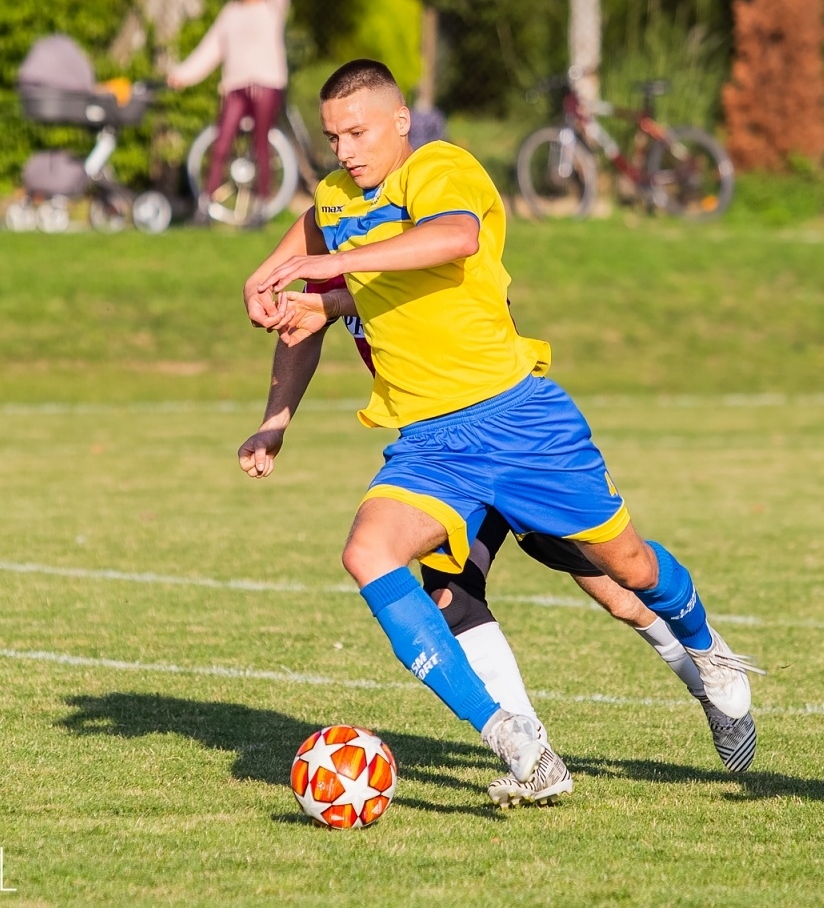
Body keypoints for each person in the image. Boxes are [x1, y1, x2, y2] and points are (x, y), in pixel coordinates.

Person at [242, 59, 759, 798]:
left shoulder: (440, 168)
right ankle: (517, 741)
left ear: (399, 122)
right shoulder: (331, 203)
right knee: (379, 558)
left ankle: (707, 655)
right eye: (332, 137)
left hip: (517, 423)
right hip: (429, 444)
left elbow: (452, 238)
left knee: (627, 576)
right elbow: (297, 298)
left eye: (358, 132)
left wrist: (330, 268)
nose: (346, 150)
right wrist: (275, 411)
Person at [236, 278, 759, 804]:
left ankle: (704, 676)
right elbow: (299, 323)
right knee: (449, 596)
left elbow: (460, 292)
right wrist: (274, 420)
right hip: (437, 450)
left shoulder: (421, 217)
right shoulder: (334, 228)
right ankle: (531, 753)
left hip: (509, 431)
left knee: (619, 587)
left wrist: (335, 299)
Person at [168, 0, 290, 206]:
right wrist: (183, 75)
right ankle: (207, 202)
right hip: (235, 87)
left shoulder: (272, 7)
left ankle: (261, 203)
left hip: (266, 84)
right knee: (221, 143)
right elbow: (210, 49)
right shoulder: (230, 13)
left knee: (261, 144)